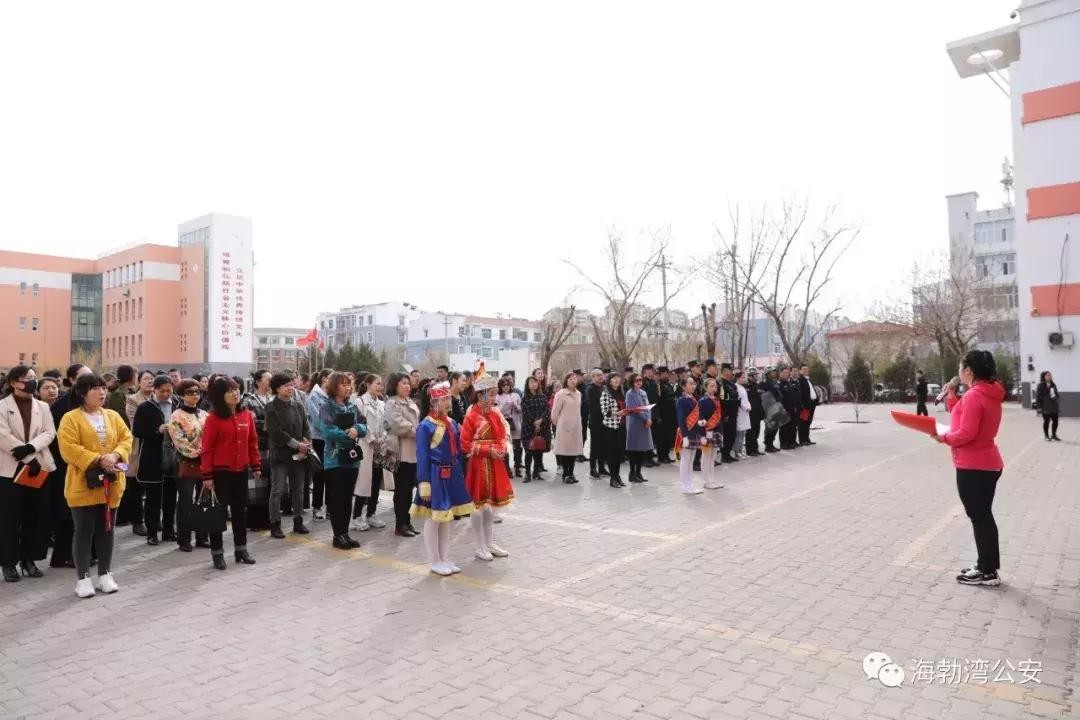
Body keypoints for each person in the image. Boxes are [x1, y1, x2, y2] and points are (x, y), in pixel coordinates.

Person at [931, 350, 1006, 586]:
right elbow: (964, 417)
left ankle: (987, 571)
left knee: (979, 517)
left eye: (960, 367)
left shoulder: (974, 395)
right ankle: (987, 566)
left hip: (974, 466)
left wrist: (943, 437)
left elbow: (966, 433)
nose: (959, 372)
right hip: (987, 463)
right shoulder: (988, 392)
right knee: (983, 516)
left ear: (968, 371)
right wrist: (952, 398)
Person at [57, 373, 132, 598]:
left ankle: (105, 574)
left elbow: (126, 438)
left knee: (107, 530)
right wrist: (98, 459)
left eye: (103, 388)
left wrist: (116, 455)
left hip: (111, 484)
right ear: (82, 393)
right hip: (83, 485)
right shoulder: (71, 418)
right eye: (95, 388)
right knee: (83, 531)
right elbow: (68, 448)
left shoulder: (112, 416)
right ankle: (83, 578)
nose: (101, 392)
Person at [410, 381, 475, 575]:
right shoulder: (425, 426)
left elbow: (459, 450)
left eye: (448, 398)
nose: (448, 401)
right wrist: (424, 482)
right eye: (443, 399)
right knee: (434, 519)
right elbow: (422, 456)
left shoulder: (452, 423)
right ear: (433, 402)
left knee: (447, 519)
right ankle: (434, 560)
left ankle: (444, 557)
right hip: (435, 476)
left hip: (451, 474)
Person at [0, 366, 57, 582]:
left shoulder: (42, 406)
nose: (32, 382)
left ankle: (29, 559)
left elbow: (50, 432)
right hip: (9, 469)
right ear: (14, 382)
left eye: (34, 378)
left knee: (35, 515)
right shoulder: (2, 406)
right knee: (8, 518)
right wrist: (27, 456)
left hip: (38, 468)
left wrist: (31, 448)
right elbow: (3, 436)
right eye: (27, 378)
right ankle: (8, 563)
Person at [200, 377, 260, 570]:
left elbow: (252, 442)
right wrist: (207, 475)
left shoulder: (246, 415)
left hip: (241, 471)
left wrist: (256, 465)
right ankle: (217, 553)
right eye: (229, 391)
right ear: (220, 396)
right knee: (218, 515)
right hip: (220, 474)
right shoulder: (213, 419)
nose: (235, 393)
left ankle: (241, 550)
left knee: (240, 513)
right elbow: (207, 448)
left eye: (236, 389)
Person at [461, 372, 514, 560]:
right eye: (491, 394)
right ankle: (479, 546)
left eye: (494, 394)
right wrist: (488, 450)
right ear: (480, 394)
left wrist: (502, 448)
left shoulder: (495, 413)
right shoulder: (471, 416)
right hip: (479, 465)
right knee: (478, 507)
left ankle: (490, 543)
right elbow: (464, 444)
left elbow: (502, 435)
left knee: (490, 507)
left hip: (494, 462)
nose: (494, 398)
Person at [317, 372, 367, 550]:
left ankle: (345, 533)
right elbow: (327, 431)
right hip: (334, 459)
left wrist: (357, 429)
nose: (347, 388)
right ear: (333, 386)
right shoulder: (326, 407)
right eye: (342, 384)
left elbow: (364, 425)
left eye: (348, 384)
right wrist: (349, 433)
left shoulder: (352, 406)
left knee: (347, 498)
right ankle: (337, 535)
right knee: (337, 499)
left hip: (351, 458)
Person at [264, 372, 312, 539]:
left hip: (299, 455)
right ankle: (275, 524)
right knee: (277, 490)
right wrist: (297, 444)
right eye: (286, 385)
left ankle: (298, 522)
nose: (290, 388)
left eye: (291, 384)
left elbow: (306, 426)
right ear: (277, 388)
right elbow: (276, 432)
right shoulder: (271, 407)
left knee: (298, 490)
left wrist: (306, 443)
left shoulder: (298, 405)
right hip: (280, 456)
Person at [131, 375, 176, 546]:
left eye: (168, 390)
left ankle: (169, 531)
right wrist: (157, 430)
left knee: (171, 498)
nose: (165, 394)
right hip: (153, 456)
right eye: (162, 391)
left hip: (173, 456)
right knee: (153, 499)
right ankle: (152, 533)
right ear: (155, 390)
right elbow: (137, 431)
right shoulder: (145, 407)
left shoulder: (177, 404)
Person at [167, 380, 212, 551]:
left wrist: (207, 454)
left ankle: (202, 537)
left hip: (205, 463)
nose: (194, 395)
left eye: (197, 392)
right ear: (181, 395)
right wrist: (200, 452)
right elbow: (179, 441)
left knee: (203, 500)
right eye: (190, 392)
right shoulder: (176, 416)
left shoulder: (204, 414)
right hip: (186, 463)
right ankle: (184, 539)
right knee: (185, 502)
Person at [118, 370, 154, 535]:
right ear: (138, 382)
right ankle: (137, 521)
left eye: (152, 379)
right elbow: (135, 424)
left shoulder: (158, 397)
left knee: (153, 486)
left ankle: (153, 519)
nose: (149, 381)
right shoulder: (133, 400)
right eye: (146, 379)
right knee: (135, 485)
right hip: (137, 445)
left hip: (155, 445)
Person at [386, 372, 421, 538]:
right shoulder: (392, 403)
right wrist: (416, 431)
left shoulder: (410, 401)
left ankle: (407, 521)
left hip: (413, 450)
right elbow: (397, 424)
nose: (407, 386)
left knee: (408, 490)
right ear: (395, 385)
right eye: (403, 383)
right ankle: (400, 524)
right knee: (401, 490)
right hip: (401, 451)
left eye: (408, 383)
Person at [353, 374, 388, 531]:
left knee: (376, 480)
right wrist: (371, 439)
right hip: (365, 445)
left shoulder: (382, 403)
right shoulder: (359, 402)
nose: (380, 386)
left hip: (379, 447)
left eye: (381, 384)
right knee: (363, 482)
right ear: (368, 384)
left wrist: (382, 438)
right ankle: (356, 516)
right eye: (377, 383)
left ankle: (371, 514)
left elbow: (386, 424)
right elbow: (359, 424)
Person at [305, 369, 332, 520]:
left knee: (331, 474)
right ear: (324, 379)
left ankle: (330, 507)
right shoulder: (314, 396)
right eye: (331, 378)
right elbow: (317, 419)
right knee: (319, 475)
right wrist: (331, 429)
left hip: (331, 439)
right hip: (319, 439)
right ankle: (317, 507)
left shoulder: (332, 395)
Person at [550, 372, 583, 483]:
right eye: (570, 379)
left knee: (573, 451)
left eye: (575, 378)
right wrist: (558, 424)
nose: (573, 380)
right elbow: (554, 412)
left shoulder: (578, 393)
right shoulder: (561, 394)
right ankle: (566, 474)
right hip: (564, 427)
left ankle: (571, 473)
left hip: (576, 426)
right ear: (566, 381)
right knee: (565, 451)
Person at [674, 377, 705, 495]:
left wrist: (700, 423)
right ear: (683, 386)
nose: (693, 386)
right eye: (690, 384)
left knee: (691, 460)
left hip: (695, 431)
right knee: (685, 460)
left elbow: (696, 416)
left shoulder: (694, 399)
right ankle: (685, 486)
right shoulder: (681, 400)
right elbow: (681, 419)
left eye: (694, 384)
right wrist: (685, 436)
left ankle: (691, 484)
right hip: (687, 433)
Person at [599, 373, 628, 489]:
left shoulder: (621, 392)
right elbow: (605, 412)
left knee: (619, 454)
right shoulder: (606, 393)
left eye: (618, 378)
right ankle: (613, 478)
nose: (617, 380)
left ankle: (617, 476)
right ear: (609, 381)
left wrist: (627, 411)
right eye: (614, 378)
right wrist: (618, 413)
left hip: (621, 426)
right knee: (612, 454)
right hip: (610, 427)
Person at [624, 373, 654, 483]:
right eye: (636, 380)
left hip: (645, 423)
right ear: (632, 382)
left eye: (640, 380)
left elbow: (648, 407)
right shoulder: (629, 394)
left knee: (642, 448)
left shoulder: (643, 393)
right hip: (635, 423)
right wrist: (645, 419)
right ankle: (632, 473)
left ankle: (639, 472)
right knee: (634, 449)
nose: (639, 382)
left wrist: (649, 418)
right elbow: (633, 409)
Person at [521, 376, 551, 482]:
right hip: (528, 428)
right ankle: (527, 473)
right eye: (531, 382)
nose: (534, 384)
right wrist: (534, 422)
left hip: (542, 427)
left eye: (535, 382)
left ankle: (536, 472)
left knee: (539, 451)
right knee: (528, 451)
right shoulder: (525, 398)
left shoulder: (543, 397)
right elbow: (525, 413)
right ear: (527, 385)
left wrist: (540, 420)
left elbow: (547, 410)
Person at [495, 377, 524, 478]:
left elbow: (521, 409)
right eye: (503, 385)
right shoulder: (497, 396)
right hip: (503, 423)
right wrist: (504, 406)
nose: (506, 387)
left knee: (517, 447)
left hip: (516, 423)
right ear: (500, 387)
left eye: (507, 385)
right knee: (505, 447)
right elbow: (496, 411)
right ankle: (507, 469)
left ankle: (517, 467)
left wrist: (516, 406)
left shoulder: (516, 395)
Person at [698, 379, 724, 490]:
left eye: (715, 386)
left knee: (713, 457)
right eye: (711, 386)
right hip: (707, 431)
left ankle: (712, 479)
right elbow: (700, 418)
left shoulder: (717, 400)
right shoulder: (702, 401)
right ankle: (706, 481)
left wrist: (721, 432)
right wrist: (702, 435)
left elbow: (719, 418)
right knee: (706, 457)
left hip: (716, 431)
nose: (714, 388)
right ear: (706, 387)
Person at [586, 369, 608, 479]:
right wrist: (606, 411)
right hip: (595, 422)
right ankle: (592, 469)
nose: (600, 377)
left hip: (605, 422)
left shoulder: (604, 388)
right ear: (593, 377)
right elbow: (593, 407)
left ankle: (602, 468)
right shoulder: (590, 389)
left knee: (603, 447)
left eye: (601, 375)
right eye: (598, 375)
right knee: (595, 447)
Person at [655, 367, 677, 463]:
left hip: (670, 414)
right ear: (660, 374)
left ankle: (666, 455)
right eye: (664, 373)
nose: (666, 375)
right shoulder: (658, 386)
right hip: (663, 414)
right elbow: (657, 401)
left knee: (668, 436)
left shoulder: (668, 384)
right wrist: (658, 416)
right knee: (662, 437)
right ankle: (661, 456)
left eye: (667, 373)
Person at [719, 364, 740, 463]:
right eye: (730, 370)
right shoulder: (722, 384)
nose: (732, 372)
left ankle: (728, 454)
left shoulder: (731, 384)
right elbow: (722, 400)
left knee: (732, 434)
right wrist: (725, 414)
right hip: (727, 414)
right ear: (724, 371)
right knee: (727, 435)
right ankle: (724, 455)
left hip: (733, 413)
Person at [779, 367, 802, 450]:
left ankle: (791, 442)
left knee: (792, 426)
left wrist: (795, 406)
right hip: (783, 409)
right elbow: (779, 398)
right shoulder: (779, 384)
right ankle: (783, 444)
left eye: (787, 372)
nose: (786, 374)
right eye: (784, 372)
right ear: (780, 373)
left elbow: (792, 395)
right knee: (784, 427)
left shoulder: (789, 383)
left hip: (792, 409)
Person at [1034, 371, 1061, 441]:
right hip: (1045, 406)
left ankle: (1054, 435)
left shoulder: (1053, 384)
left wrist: (1056, 397)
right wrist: (1039, 407)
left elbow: (1057, 394)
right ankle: (1046, 436)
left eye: (1050, 375)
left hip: (1054, 406)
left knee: (1055, 421)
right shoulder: (1040, 385)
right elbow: (1038, 396)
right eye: (1048, 375)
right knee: (1047, 421)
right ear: (1044, 377)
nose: (1049, 376)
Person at [797, 365, 819, 446]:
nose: (806, 370)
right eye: (804, 369)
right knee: (803, 423)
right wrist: (802, 404)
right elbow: (800, 393)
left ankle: (807, 439)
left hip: (812, 404)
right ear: (800, 371)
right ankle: (802, 440)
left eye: (807, 369)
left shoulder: (809, 379)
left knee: (808, 422)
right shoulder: (800, 380)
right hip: (805, 406)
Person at [745, 368, 764, 457]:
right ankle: (750, 450)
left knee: (757, 431)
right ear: (751, 376)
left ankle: (755, 449)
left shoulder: (757, 385)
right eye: (755, 375)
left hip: (758, 413)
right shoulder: (747, 386)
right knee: (751, 432)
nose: (757, 376)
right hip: (751, 413)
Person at [734, 372, 751, 458]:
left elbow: (746, 399)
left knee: (743, 433)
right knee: (739, 433)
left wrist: (749, 406)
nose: (744, 379)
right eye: (742, 377)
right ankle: (737, 452)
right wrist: (745, 407)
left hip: (746, 412)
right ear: (738, 378)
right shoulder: (736, 387)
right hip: (740, 412)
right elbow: (739, 400)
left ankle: (741, 450)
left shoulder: (743, 387)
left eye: (744, 377)